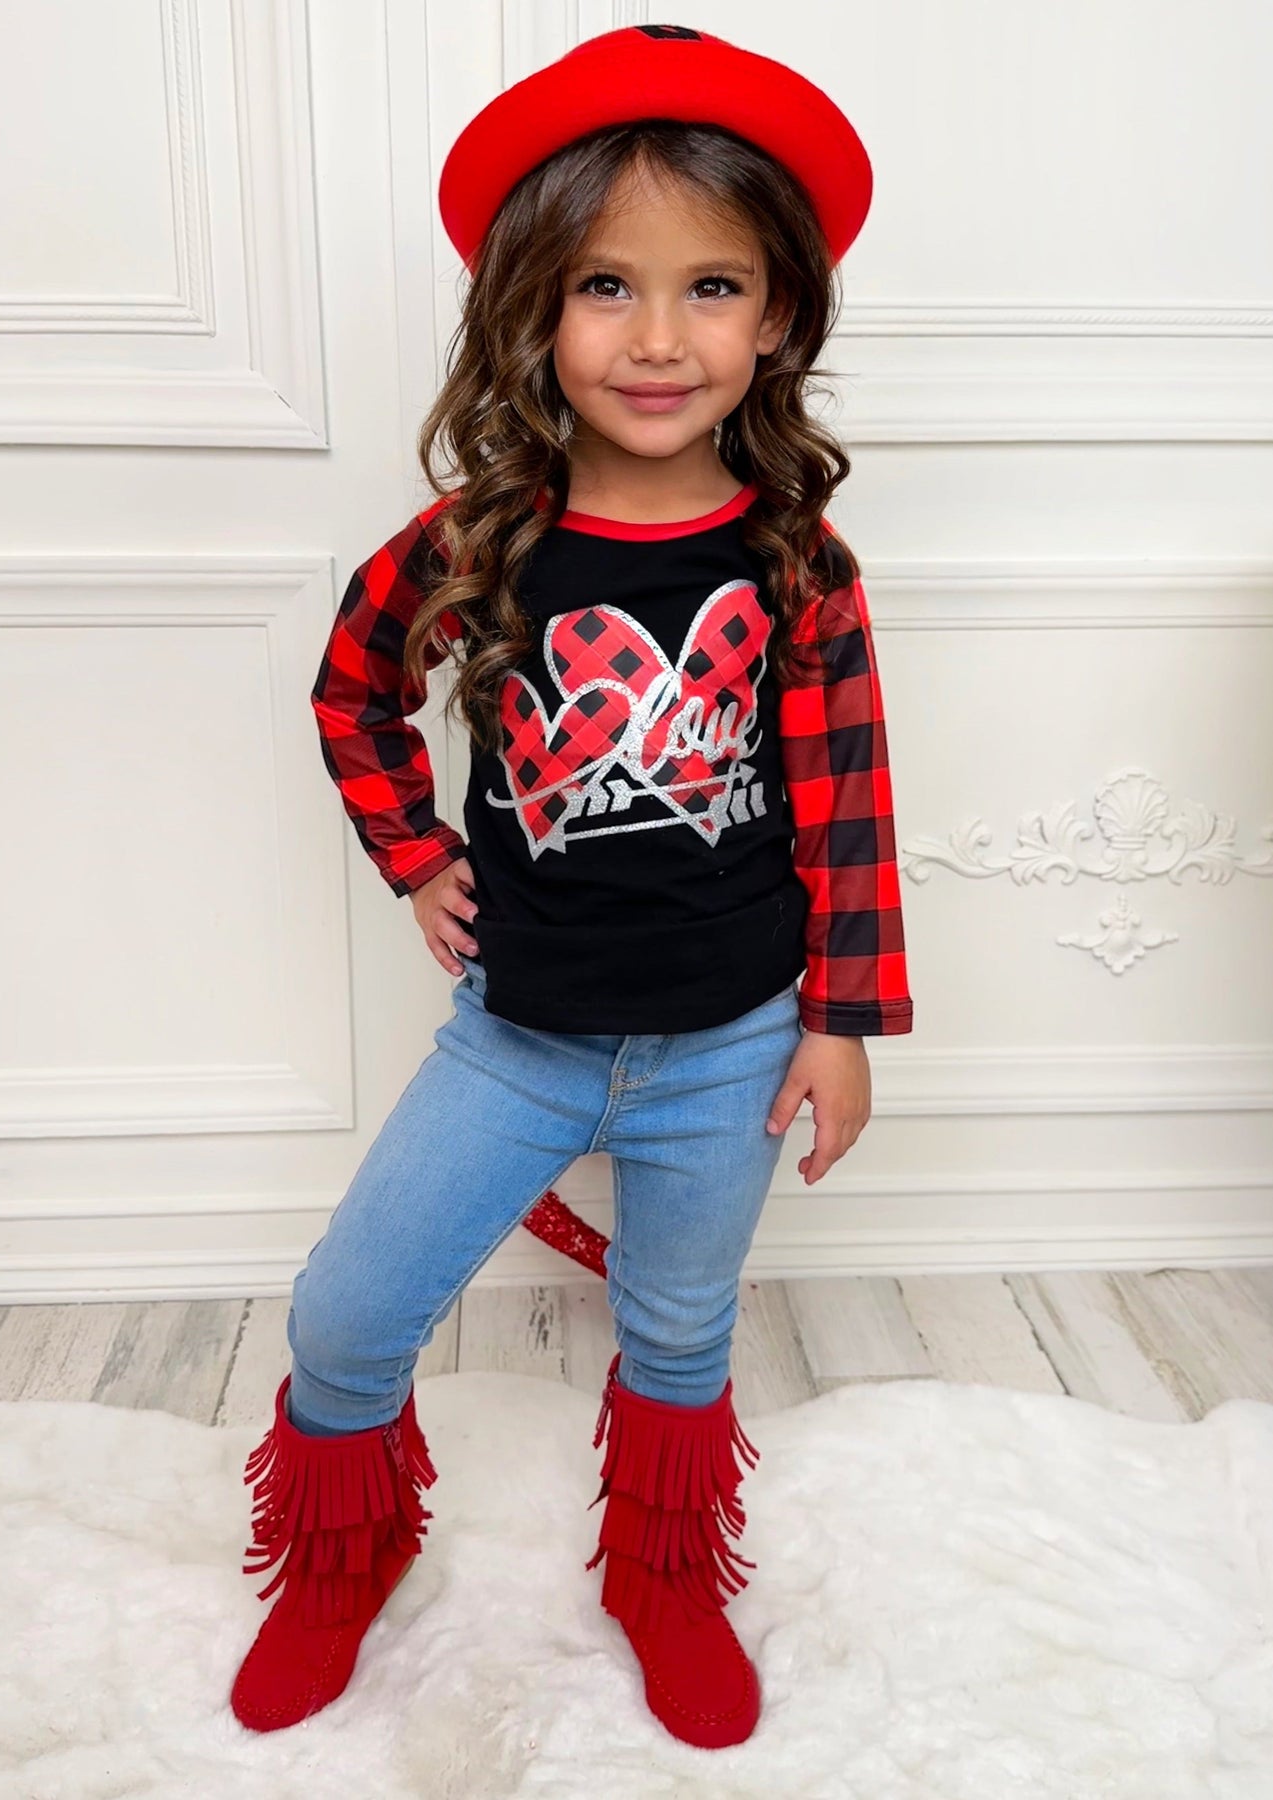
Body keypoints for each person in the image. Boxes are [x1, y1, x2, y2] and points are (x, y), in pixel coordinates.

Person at [228, 22, 914, 1751]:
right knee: (348, 1311)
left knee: (678, 1334)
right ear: (530, 309)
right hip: (516, 1040)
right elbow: (349, 691)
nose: (658, 337)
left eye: (710, 286)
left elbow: (847, 805)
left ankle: (663, 1574)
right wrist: (416, 855)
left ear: (776, 317)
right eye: (607, 284)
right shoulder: (476, 540)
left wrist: (838, 1022)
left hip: (730, 1044)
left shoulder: (794, 558)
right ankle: (344, 1550)